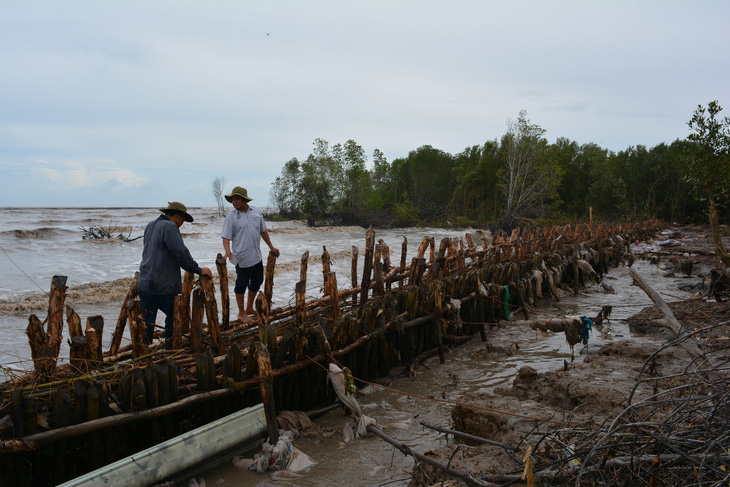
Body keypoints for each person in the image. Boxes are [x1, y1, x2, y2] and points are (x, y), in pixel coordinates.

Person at [138, 201, 212, 349]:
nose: (182, 223)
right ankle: (170, 352)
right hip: (163, 285)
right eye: (183, 220)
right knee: (173, 320)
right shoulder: (170, 226)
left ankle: (140, 356)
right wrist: (197, 269)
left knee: (146, 324)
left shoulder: (150, 225)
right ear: (178, 216)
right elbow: (180, 253)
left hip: (145, 283)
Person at [221, 186, 280, 322]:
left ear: (244, 200)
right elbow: (225, 237)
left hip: (256, 256)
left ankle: (249, 308)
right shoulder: (231, 217)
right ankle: (241, 313)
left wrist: (271, 246)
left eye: (237, 199)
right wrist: (227, 250)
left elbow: (263, 230)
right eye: (233, 199)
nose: (234, 202)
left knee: (257, 281)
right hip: (242, 258)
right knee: (241, 285)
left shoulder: (256, 211)